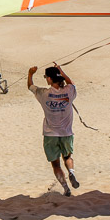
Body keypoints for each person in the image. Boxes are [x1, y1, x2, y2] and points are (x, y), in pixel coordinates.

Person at [27, 63, 80, 196]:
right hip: (66, 133)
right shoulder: (68, 91)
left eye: (46, 77)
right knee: (67, 157)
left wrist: (30, 74)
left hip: (50, 134)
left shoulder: (44, 93)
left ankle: (66, 187)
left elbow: (30, 86)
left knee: (56, 165)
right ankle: (71, 172)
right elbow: (72, 83)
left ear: (50, 79)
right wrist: (62, 72)